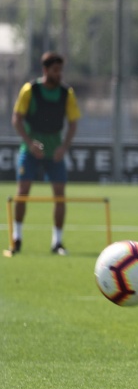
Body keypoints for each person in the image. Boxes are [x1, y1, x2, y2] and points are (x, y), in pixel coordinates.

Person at [8, 52, 81, 256]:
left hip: (55, 149)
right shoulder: (29, 90)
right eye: (55, 70)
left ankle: (57, 242)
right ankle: (17, 238)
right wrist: (30, 143)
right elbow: (17, 119)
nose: (59, 74)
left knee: (60, 195)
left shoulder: (67, 93)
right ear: (45, 70)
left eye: (61, 70)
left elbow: (73, 123)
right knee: (22, 192)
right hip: (31, 149)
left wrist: (63, 147)